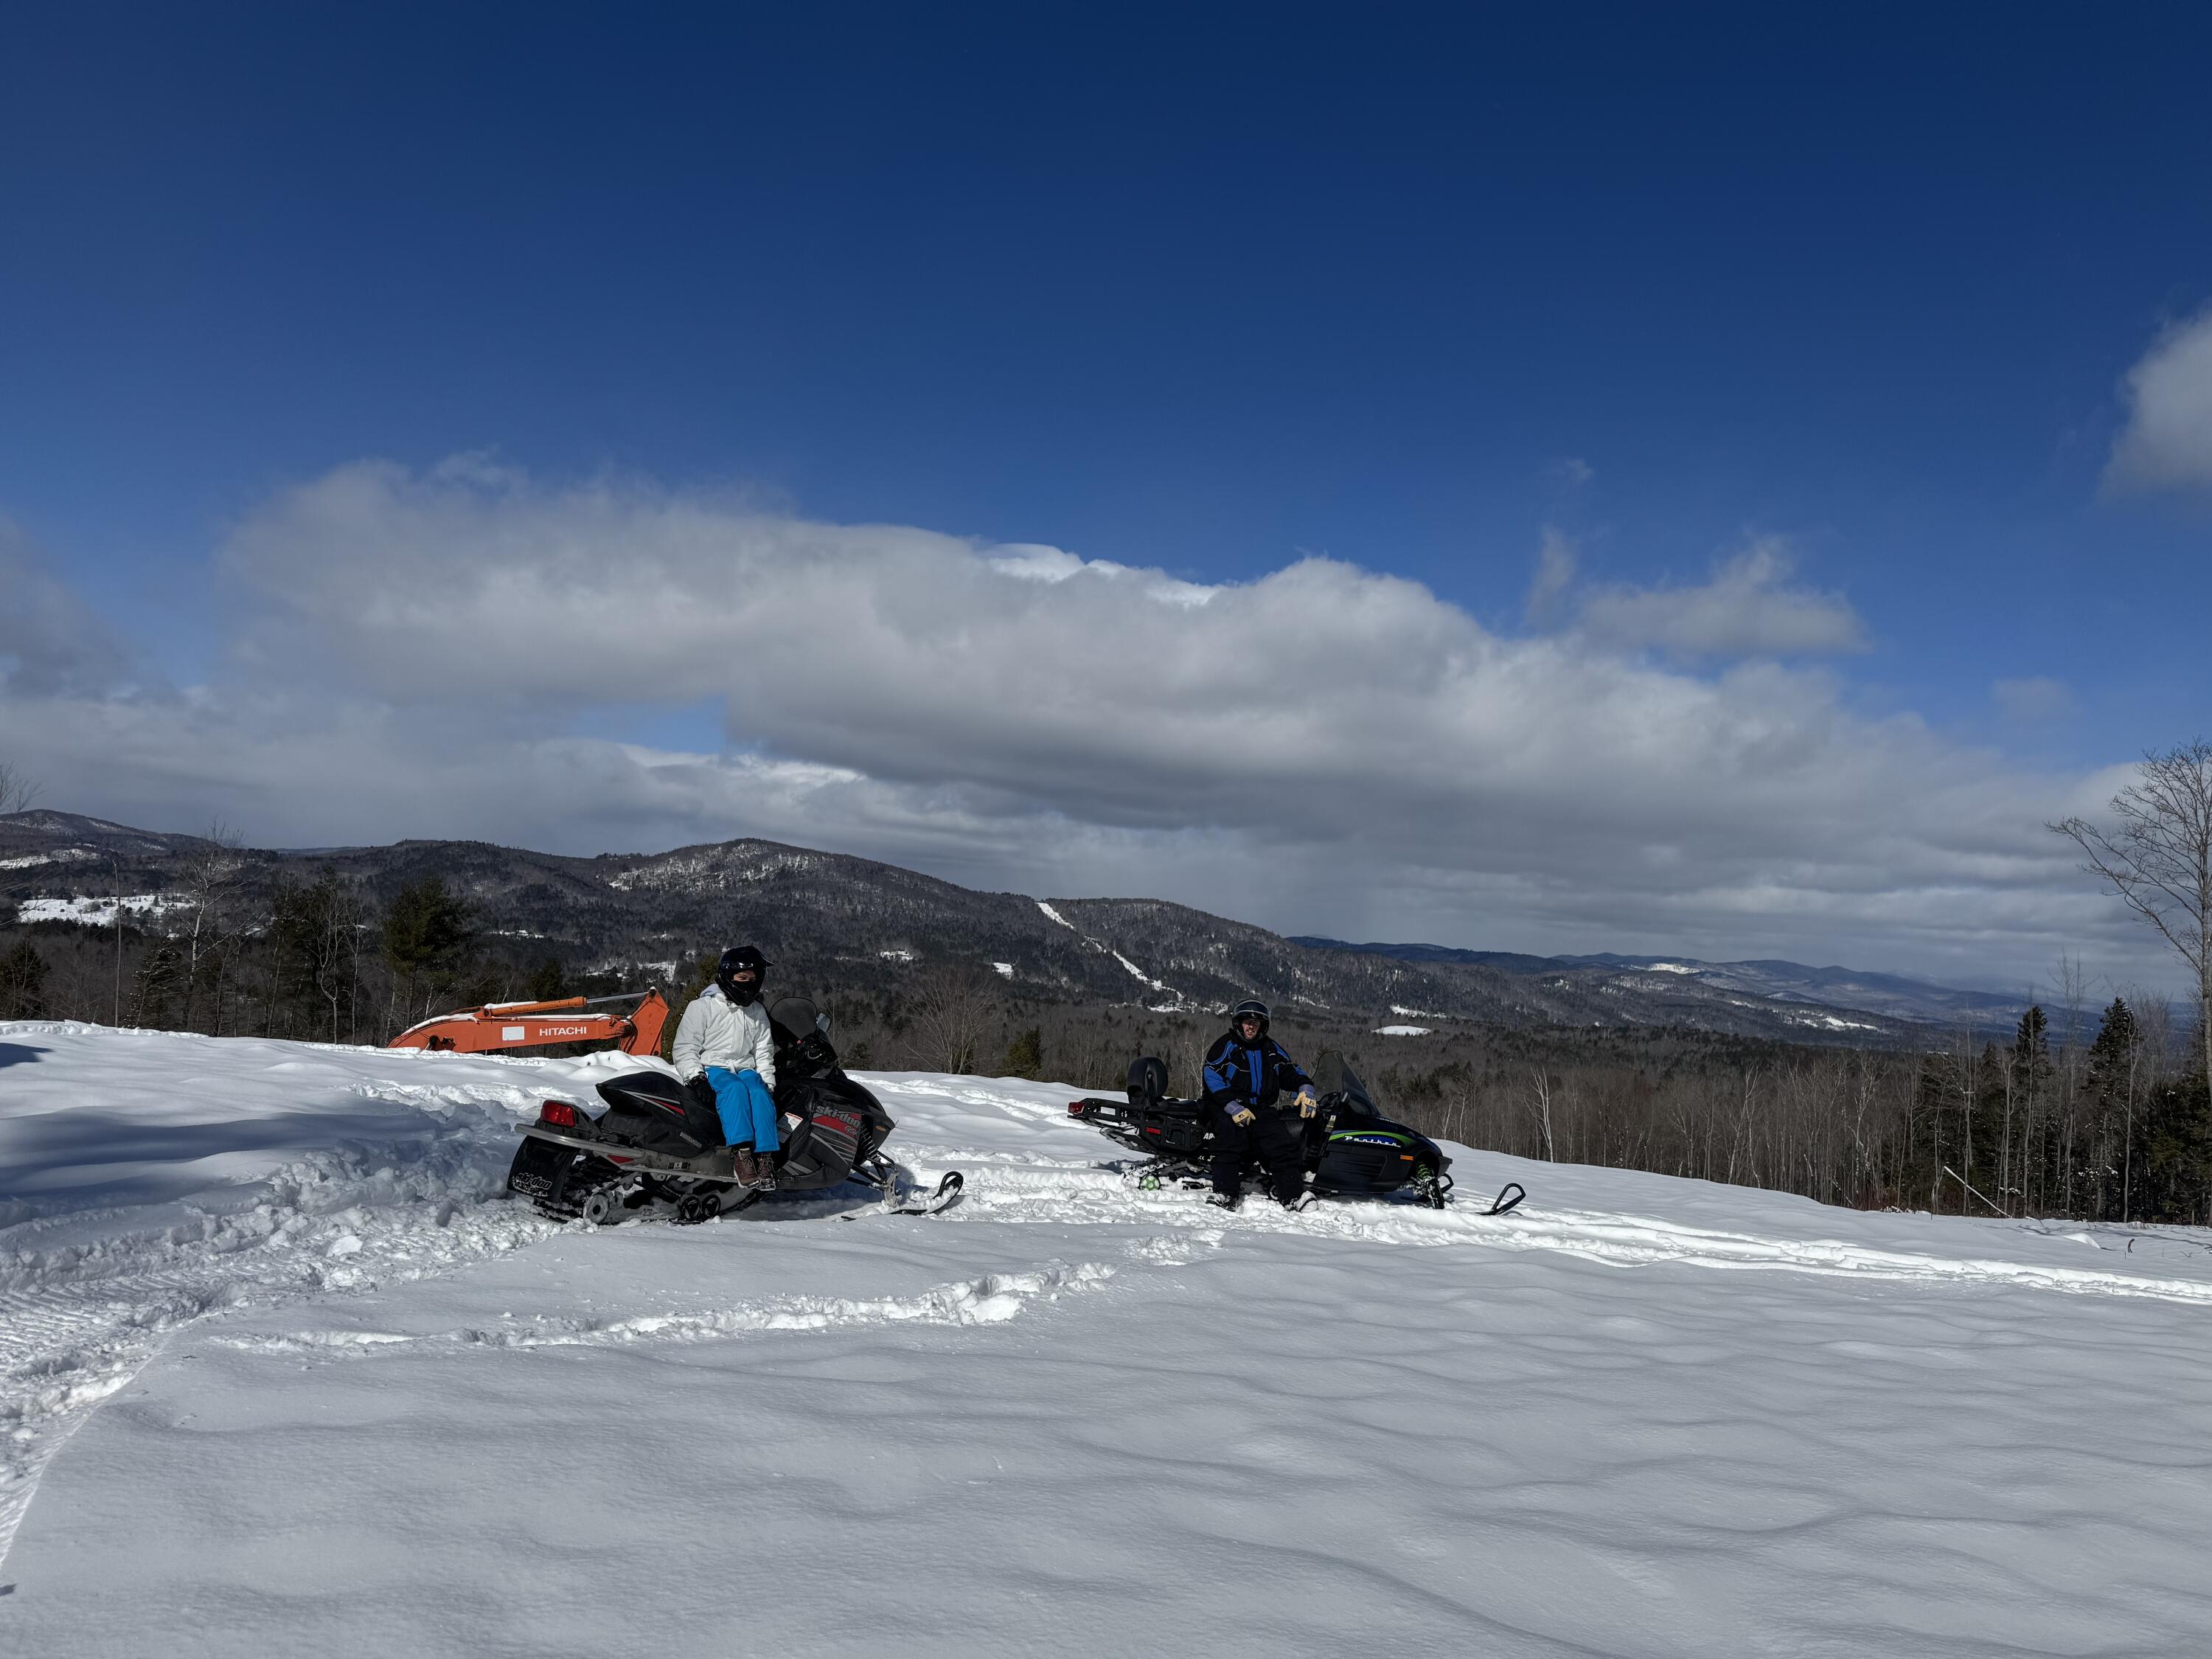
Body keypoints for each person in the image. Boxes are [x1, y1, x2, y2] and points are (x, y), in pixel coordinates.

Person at [671, 945, 779, 1184]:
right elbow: (685, 1047)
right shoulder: (703, 1007)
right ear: (728, 977)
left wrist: (767, 1080)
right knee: (734, 1090)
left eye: (753, 979)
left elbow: (763, 1049)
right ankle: (742, 1156)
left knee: (760, 1094)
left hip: (745, 1067)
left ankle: (764, 1158)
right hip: (714, 1067)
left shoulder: (756, 1011)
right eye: (742, 978)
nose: (748, 983)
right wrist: (695, 1077)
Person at [1200, 998, 1320, 1211]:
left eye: (1256, 1023)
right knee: (1230, 1137)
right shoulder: (1226, 1045)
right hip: (1225, 1104)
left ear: (1263, 1026)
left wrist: (1306, 1088)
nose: (1251, 1027)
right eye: (1247, 1022)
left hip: (1261, 1107)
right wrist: (1232, 1107)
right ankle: (1225, 1194)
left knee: (1281, 1143)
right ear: (1239, 1023)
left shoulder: (1271, 1049)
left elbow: (1289, 1071)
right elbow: (1211, 1075)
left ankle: (1294, 1196)